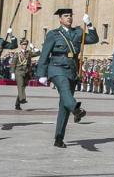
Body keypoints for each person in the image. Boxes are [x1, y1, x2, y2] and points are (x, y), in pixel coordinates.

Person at [37, 8, 98, 148]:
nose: (69, 18)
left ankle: (59, 138)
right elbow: (45, 53)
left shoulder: (77, 32)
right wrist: (41, 74)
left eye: (70, 15)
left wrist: (89, 25)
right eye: (66, 16)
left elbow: (94, 39)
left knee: (64, 104)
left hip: (71, 70)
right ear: (60, 19)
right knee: (64, 88)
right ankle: (76, 110)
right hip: (57, 68)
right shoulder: (53, 34)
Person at [12, 39, 38, 110]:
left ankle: (17, 104)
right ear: (21, 45)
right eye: (23, 44)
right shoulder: (17, 54)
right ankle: (22, 99)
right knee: (20, 86)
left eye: (26, 44)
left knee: (23, 88)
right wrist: (12, 73)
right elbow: (13, 64)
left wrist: (33, 47)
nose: (25, 45)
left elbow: (39, 53)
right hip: (19, 72)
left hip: (26, 73)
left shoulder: (29, 53)